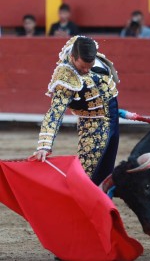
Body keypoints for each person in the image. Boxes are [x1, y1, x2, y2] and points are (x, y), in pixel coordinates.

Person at [32, 36, 131, 186]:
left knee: (106, 172)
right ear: (72, 57)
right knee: (87, 175)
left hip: (112, 118)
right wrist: (44, 145)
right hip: (93, 126)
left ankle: (103, 207)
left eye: (89, 67)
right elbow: (55, 113)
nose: (85, 71)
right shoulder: (65, 78)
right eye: (81, 67)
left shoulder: (86, 50)